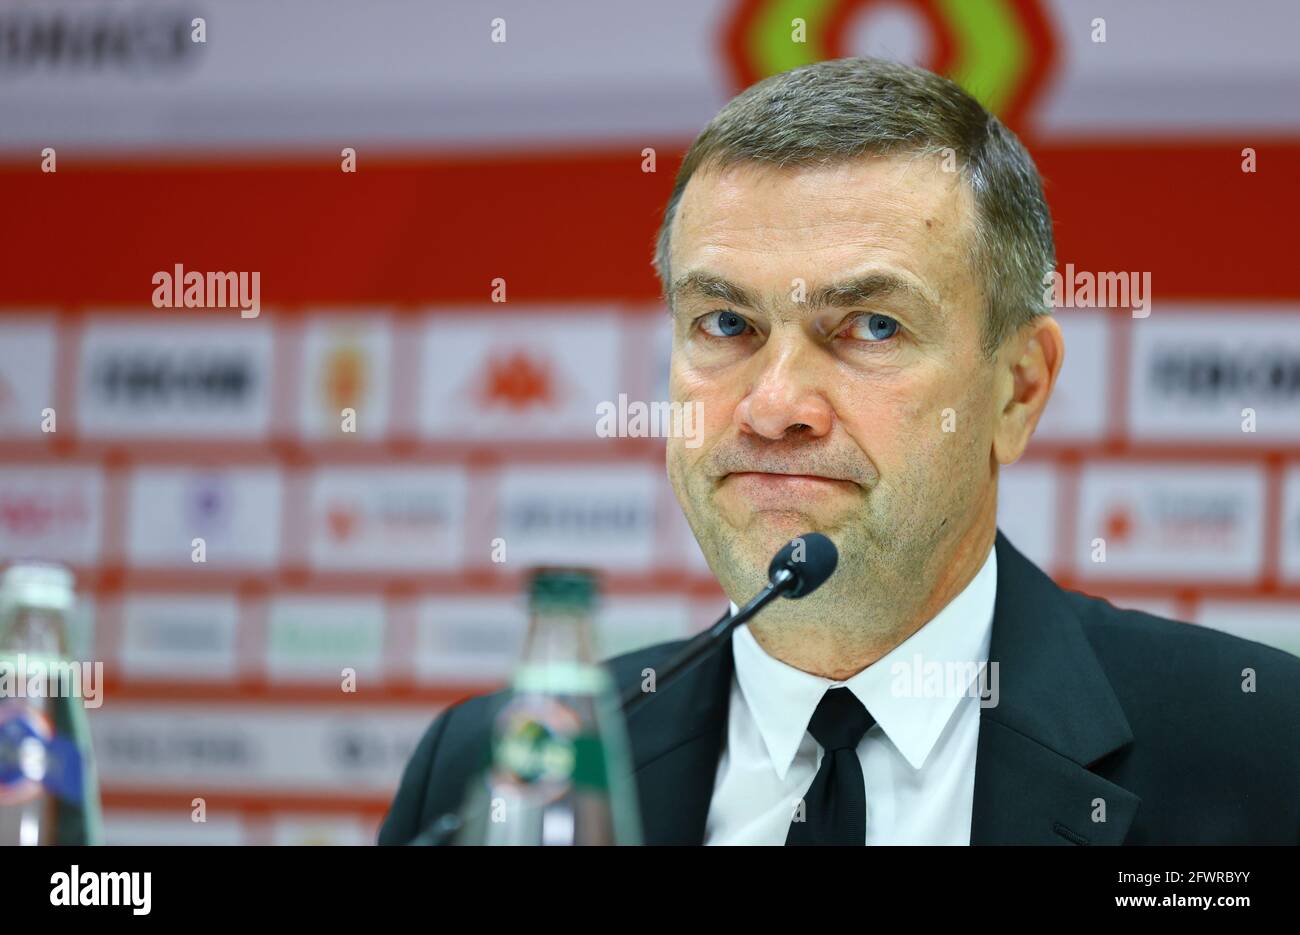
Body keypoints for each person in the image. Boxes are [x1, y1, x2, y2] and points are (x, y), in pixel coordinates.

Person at [379, 57, 1300, 845]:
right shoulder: (493, 771)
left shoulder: (1262, 749)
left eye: (869, 325)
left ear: (1017, 389)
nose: (775, 406)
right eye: (726, 321)